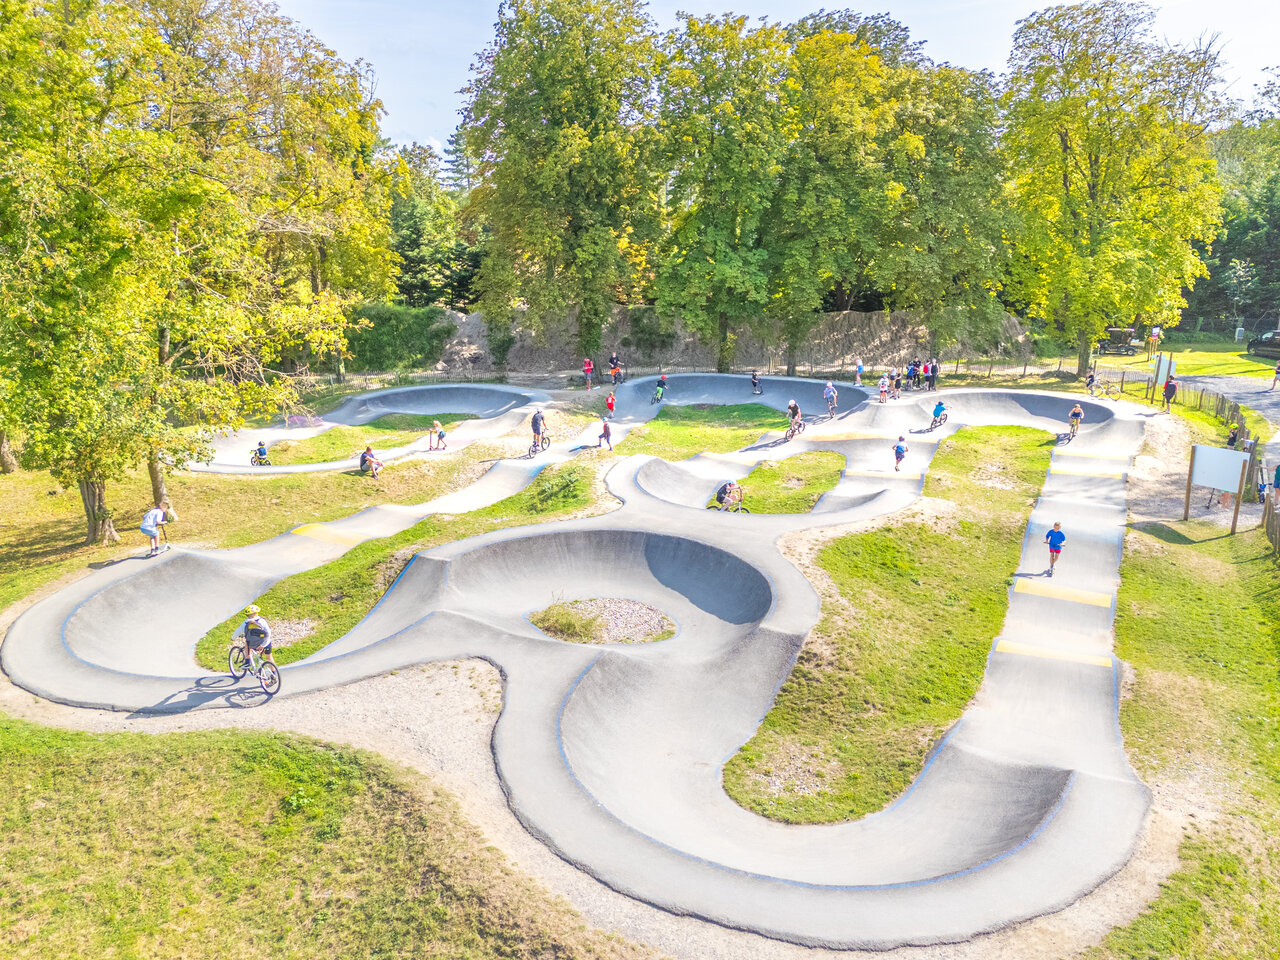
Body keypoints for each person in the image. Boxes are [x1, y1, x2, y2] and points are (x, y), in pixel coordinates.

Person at [231, 604, 276, 672]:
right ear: (256, 613)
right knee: (269, 657)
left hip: (253, 644)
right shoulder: (262, 621)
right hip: (266, 643)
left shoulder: (245, 623)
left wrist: (233, 638)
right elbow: (268, 632)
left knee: (247, 643)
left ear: (247, 615)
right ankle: (274, 673)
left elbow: (237, 632)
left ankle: (247, 661)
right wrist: (263, 645)